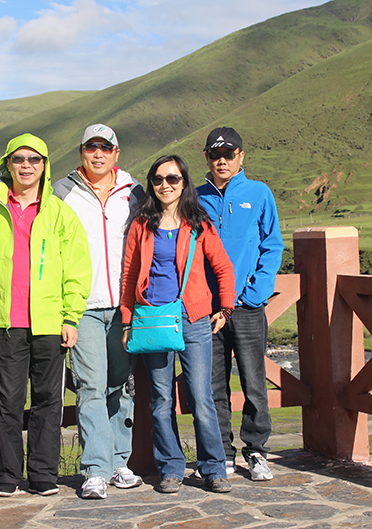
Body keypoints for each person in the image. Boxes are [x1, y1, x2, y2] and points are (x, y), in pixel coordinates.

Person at [0, 133, 91, 497]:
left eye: (34, 159)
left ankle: (43, 475)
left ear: (44, 165)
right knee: (7, 401)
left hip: (50, 322)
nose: (26, 166)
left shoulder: (60, 213)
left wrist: (70, 317)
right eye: (19, 159)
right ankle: (7, 476)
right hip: (6, 322)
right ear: (7, 164)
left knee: (48, 401)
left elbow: (77, 269)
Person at [120, 155, 236, 494]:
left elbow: (223, 267)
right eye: (158, 179)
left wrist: (225, 308)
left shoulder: (198, 222)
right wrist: (127, 320)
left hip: (194, 318)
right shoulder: (142, 224)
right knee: (160, 400)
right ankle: (170, 468)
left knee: (201, 398)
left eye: (172, 178)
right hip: (153, 319)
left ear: (184, 182)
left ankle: (213, 468)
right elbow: (129, 274)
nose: (165, 185)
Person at [53, 124, 145, 499]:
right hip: (83, 305)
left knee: (121, 386)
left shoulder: (134, 191)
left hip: (125, 305)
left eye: (105, 148)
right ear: (81, 152)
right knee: (91, 386)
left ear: (116, 153)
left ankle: (120, 463)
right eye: (91, 147)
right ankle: (95, 468)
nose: (98, 154)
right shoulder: (61, 191)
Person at [196, 127, 284, 481]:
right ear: (206, 158)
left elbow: (272, 245)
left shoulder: (259, 193)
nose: (222, 160)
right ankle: (222, 453)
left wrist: (255, 293)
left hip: (246, 307)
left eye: (229, 154)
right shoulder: (194, 197)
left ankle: (257, 451)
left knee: (253, 382)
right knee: (213, 385)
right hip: (208, 309)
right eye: (215, 154)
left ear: (241, 156)